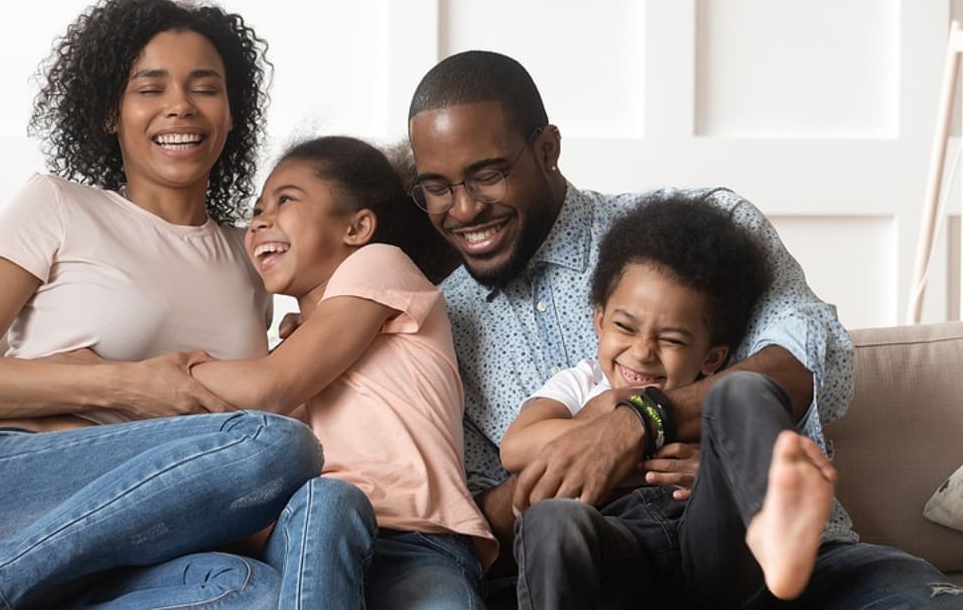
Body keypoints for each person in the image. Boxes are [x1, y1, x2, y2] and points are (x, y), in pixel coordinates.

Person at [405, 49, 955, 608]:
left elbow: (804, 356)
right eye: (437, 188)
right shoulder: (439, 324)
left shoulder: (701, 225)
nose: (464, 209)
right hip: (603, 573)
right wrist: (582, 466)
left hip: (772, 565)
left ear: (547, 149)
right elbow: (467, 524)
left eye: (488, 175)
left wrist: (656, 431)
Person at [0, 0, 326, 609]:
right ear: (110, 113)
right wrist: (122, 386)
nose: (179, 107)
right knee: (275, 445)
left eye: (205, 88)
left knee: (253, 590)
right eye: (150, 88)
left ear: (231, 114)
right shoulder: (56, 206)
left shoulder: (251, 260)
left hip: (123, 547)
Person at [189, 135, 496, 608]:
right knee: (327, 499)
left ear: (357, 227)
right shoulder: (293, 347)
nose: (260, 221)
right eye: (255, 211)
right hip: (314, 535)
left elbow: (268, 387)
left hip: (419, 541)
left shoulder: (379, 264)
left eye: (285, 199)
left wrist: (161, 373)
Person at [502, 196, 837, 607]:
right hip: (618, 549)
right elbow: (515, 446)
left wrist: (721, 473)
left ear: (711, 358)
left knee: (743, 389)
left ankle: (774, 525)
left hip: (709, 544)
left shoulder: (711, 395)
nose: (642, 351)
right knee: (551, 520)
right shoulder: (580, 383)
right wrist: (604, 427)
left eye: (672, 340)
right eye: (625, 327)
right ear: (600, 321)